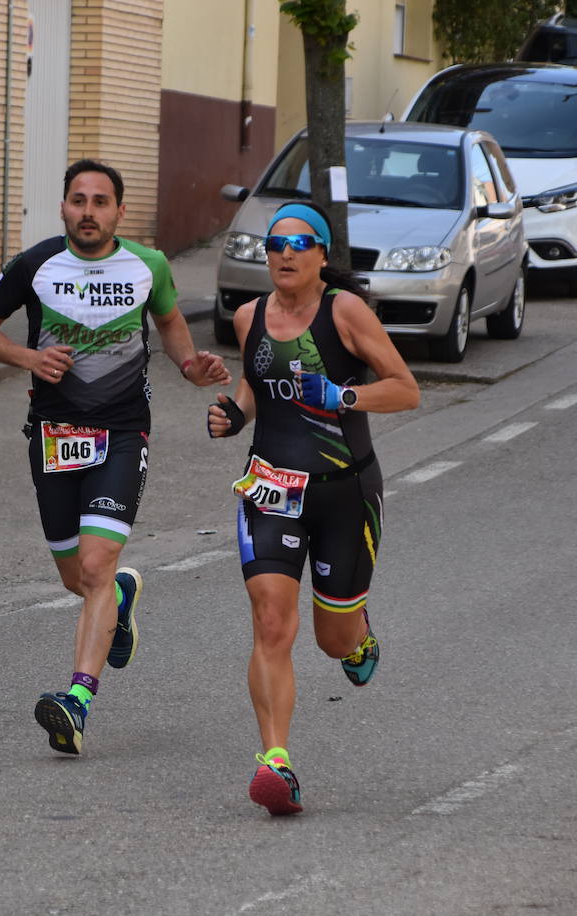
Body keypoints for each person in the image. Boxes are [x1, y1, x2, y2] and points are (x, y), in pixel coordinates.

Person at [0, 158, 230, 755]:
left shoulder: (149, 266)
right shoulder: (35, 264)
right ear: (63, 208)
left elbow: (171, 330)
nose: (89, 211)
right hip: (53, 437)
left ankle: (77, 701)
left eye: (101, 201)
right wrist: (29, 359)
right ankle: (121, 598)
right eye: (78, 200)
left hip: (121, 434)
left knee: (94, 568)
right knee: (78, 578)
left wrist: (194, 369)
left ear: (118, 211)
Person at [206, 201, 419, 814]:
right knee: (272, 621)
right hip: (271, 487)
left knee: (330, 638)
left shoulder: (344, 311)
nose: (286, 254)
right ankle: (276, 761)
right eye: (276, 244)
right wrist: (234, 414)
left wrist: (343, 394)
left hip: (344, 491)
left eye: (301, 243)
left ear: (324, 255)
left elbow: (405, 389)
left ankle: (358, 642)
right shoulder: (249, 316)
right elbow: (255, 384)